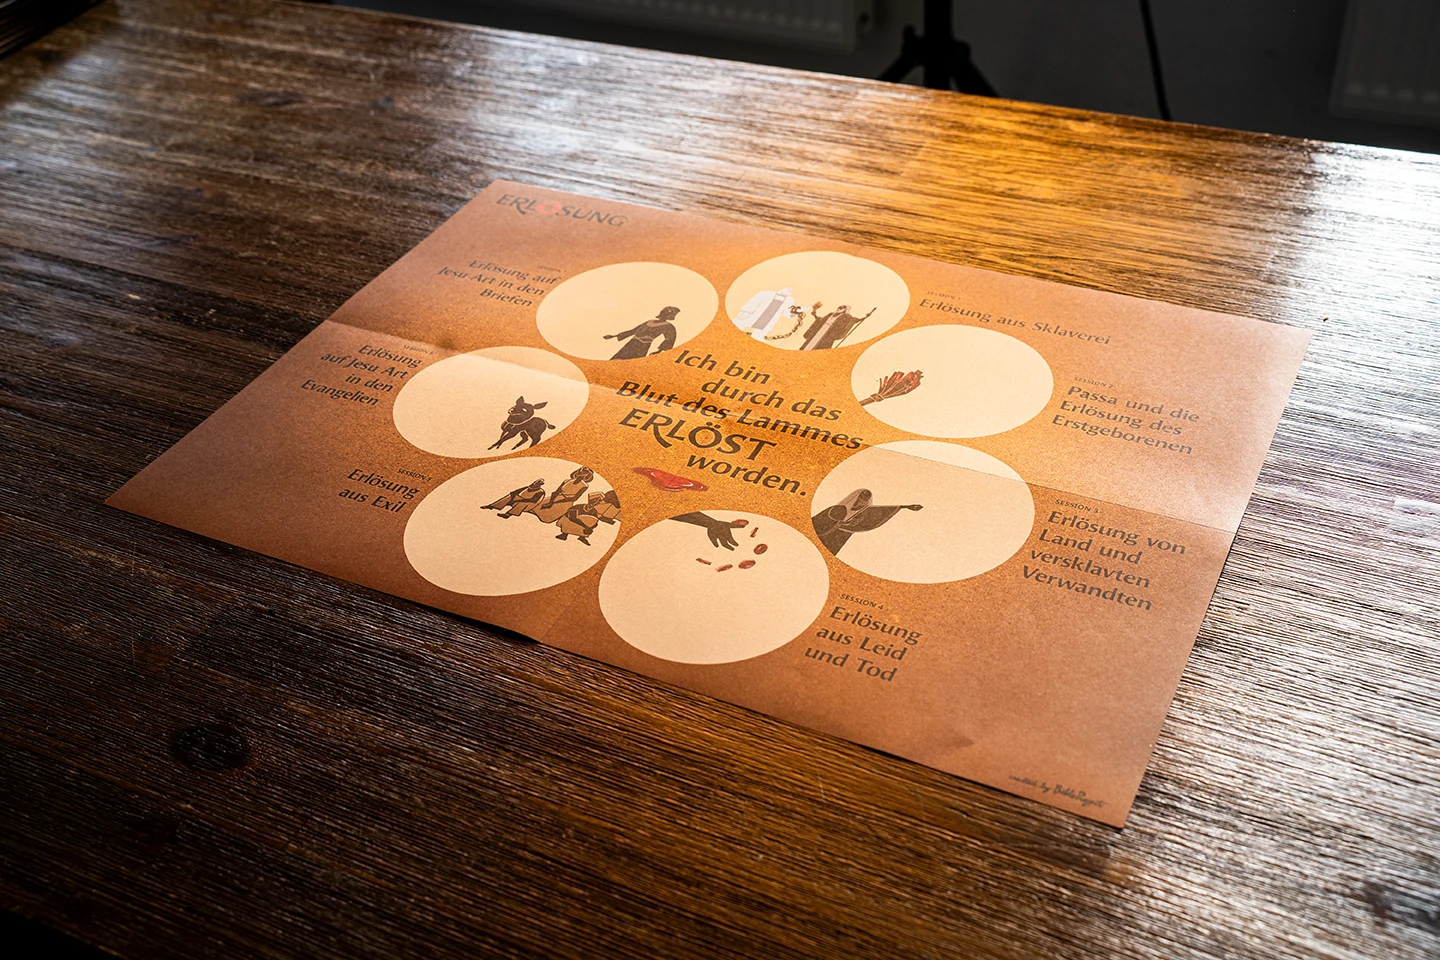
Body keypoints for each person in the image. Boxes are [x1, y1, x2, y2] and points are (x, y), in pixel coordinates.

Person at [812, 488, 922, 555]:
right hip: (820, 536)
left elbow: (881, 511)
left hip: (838, 538)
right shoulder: (838, 509)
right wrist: (840, 523)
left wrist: (904, 506)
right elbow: (819, 521)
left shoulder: (863, 513)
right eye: (859, 498)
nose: (860, 501)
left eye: (864, 500)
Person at [604, 306, 679, 360]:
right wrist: (614, 336)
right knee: (618, 358)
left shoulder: (668, 326)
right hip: (632, 343)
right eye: (663, 313)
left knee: (633, 362)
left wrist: (659, 351)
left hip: (643, 345)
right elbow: (634, 330)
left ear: (669, 316)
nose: (663, 315)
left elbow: (669, 339)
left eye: (666, 314)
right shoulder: (650, 321)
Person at [800, 304, 875, 350]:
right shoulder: (830, 314)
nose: (839, 309)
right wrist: (814, 314)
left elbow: (854, 320)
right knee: (810, 344)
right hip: (820, 331)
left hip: (828, 335)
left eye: (842, 308)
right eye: (839, 307)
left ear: (845, 310)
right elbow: (820, 320)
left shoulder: (846, 317)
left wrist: (864, 317)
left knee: (820, 348)